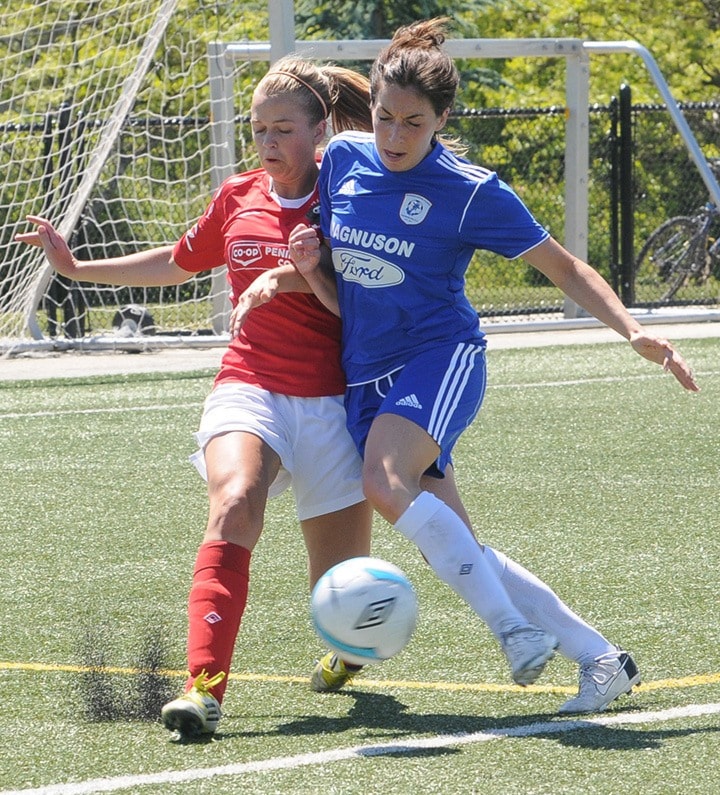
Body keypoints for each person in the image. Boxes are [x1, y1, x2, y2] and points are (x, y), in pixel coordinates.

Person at [281, 17, 699, 714]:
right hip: (365, 376)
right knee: (463, 547)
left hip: (440, 357)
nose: (393, 135)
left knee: (383, 481)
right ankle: (602, 657)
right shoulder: (345, 161)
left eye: (413, 123)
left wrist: (633, 331)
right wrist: (298, 274)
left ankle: (511, 629)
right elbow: (344, 281)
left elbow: (564, 267)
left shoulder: (471, 191)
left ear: (442, 120)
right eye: (385, 117)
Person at [15, 56, 377, 739]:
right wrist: (76, 267)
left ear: (320, 130)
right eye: (258, 129)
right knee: (235, 500)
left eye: (283, 129)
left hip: (334, 403)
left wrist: (305, 274)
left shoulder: (355, 198)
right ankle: (203, 690)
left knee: (343, 601)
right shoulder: (238, 195)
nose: (268, 143)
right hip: (250, 384)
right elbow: (179, 260)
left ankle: (349, 650)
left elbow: (372, 301)